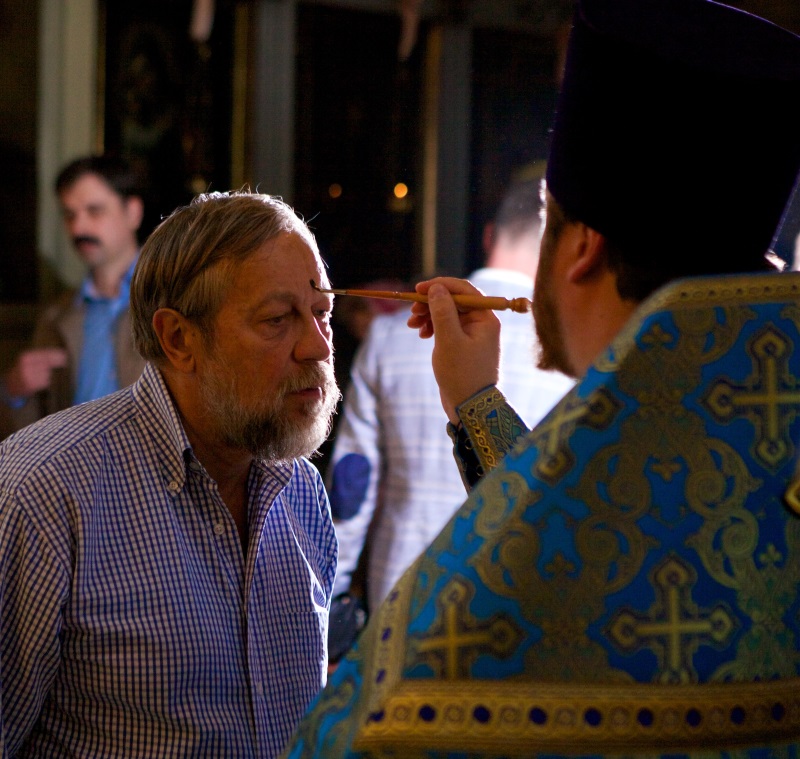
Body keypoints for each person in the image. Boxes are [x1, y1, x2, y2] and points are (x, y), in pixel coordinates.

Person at [284, 0, 800, 757]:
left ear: (581, 247)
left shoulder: (438, 657)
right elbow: (597, 536)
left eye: (549, 212)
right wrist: (476, 405)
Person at [0, 191, 340, 757]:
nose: (318, 347)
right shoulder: (45, 493)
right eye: (278, 320)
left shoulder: (300, 490)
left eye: (322, 313)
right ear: (179, 339)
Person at [327, 180, 573, 622]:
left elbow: (351, 486)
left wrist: (331, 600)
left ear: (489, 236)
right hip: (511, 607)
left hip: (400, 601)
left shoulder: (386, 338)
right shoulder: (569, 355)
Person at [0, 155, 147, 434]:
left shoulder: (176, 298)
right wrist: (14, 391)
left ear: (133, 212)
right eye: (70, 215)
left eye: (95, 211)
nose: (78, 228)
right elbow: (33, 433)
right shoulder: (56, 316)